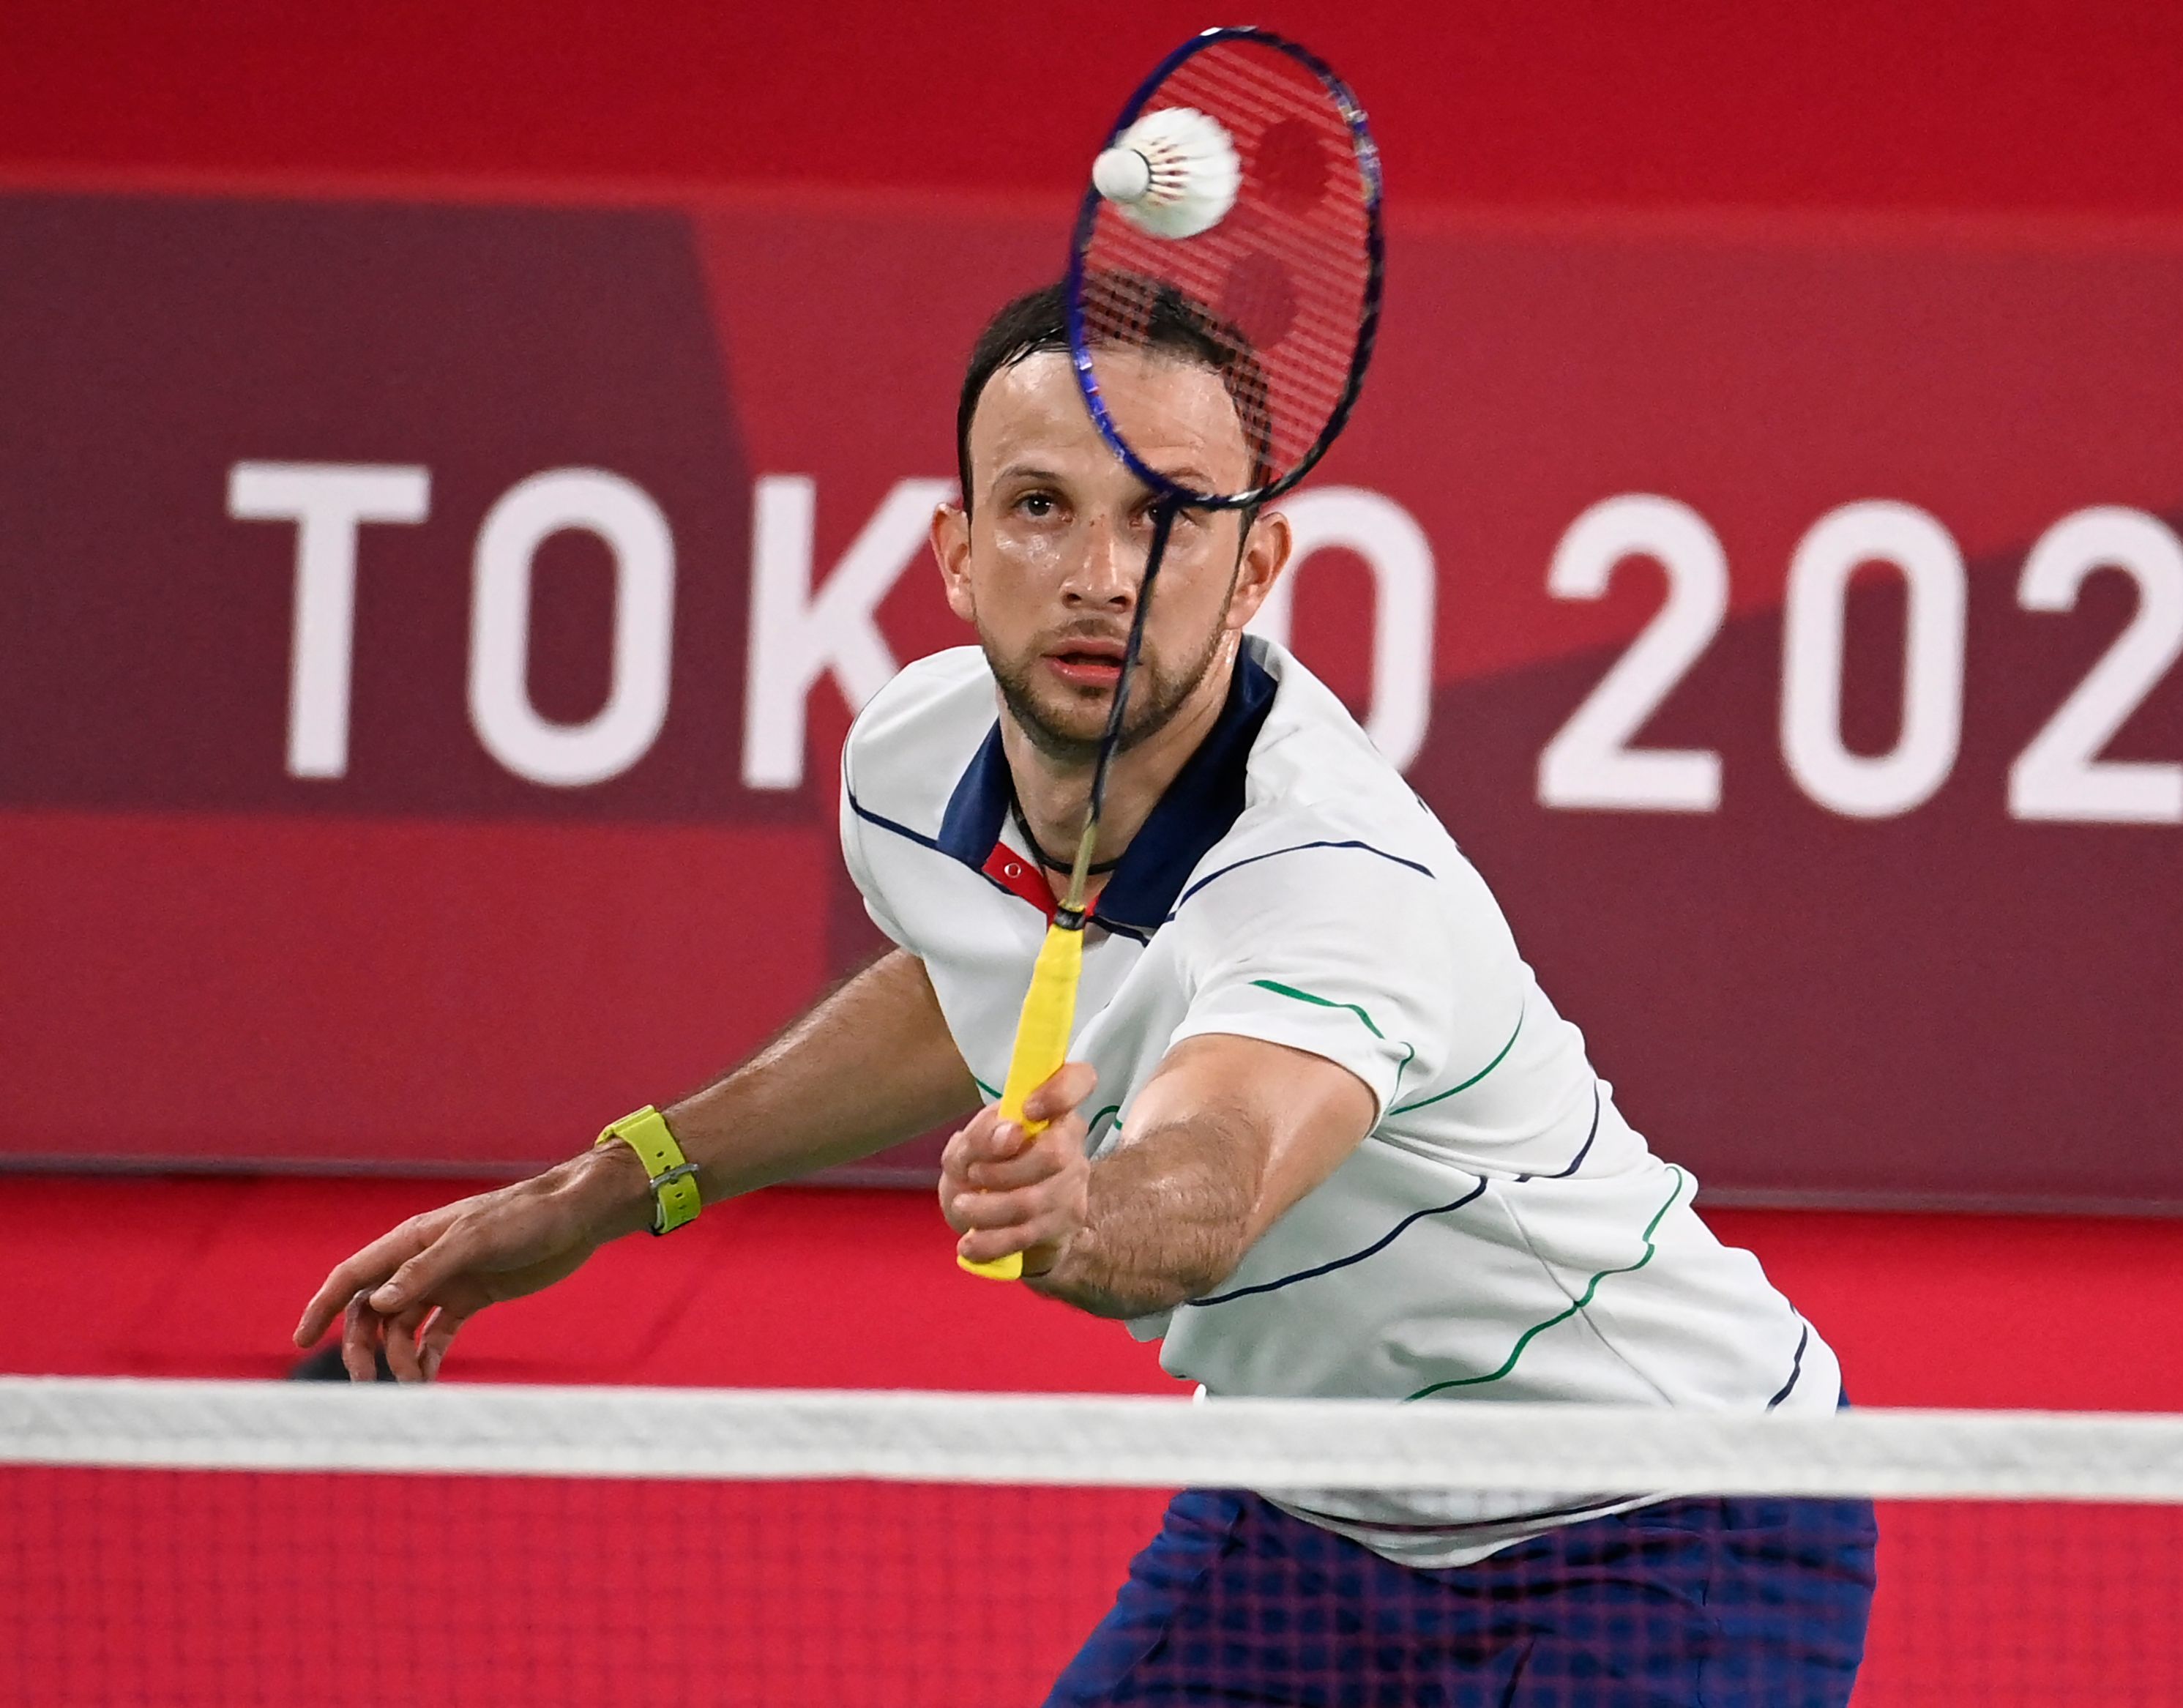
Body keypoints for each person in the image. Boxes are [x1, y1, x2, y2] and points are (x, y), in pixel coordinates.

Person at [294, 281, 1876, 1706]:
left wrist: (1084, 1216)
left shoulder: (1330, 882)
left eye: (1167, 520)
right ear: (958, 553)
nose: (1100, 574)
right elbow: (958, 979)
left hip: (1664, 1512)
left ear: (1255, 565)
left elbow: (1224, 1161)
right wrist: (616, 1183)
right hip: (1318, 1502)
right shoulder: (914, 767)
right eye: (1041, 508)